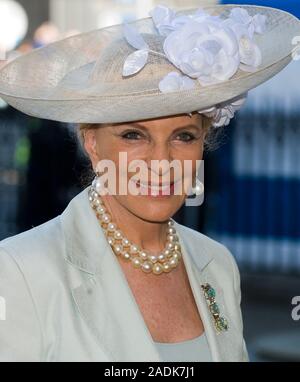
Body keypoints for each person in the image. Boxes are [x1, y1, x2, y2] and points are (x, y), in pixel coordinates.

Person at [0, 4, 298, 362]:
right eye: (132, 135)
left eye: (183, 136)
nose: (162, 162)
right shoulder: (19, 270)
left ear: (204, 141)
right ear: (91, 142)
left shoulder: (217, 264)